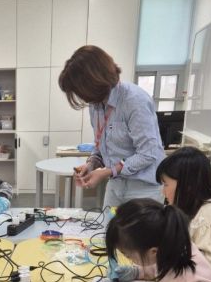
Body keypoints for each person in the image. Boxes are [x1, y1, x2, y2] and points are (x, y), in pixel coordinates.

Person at [58, 45, 164, 208]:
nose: (82, 97)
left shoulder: (134, 101)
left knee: (137, 226)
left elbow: (148, 153)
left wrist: (106, 172)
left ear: (94, 81)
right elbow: (101, 145)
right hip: (116, 185)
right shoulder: (96, 105)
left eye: (80, 90)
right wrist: (91, 164)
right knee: (108, 225)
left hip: (143, 189)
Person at [156, 147, 211, 282]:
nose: (163, 191)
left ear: (187, 185)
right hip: (183, 277)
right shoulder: (189, 207)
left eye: (166, 184)